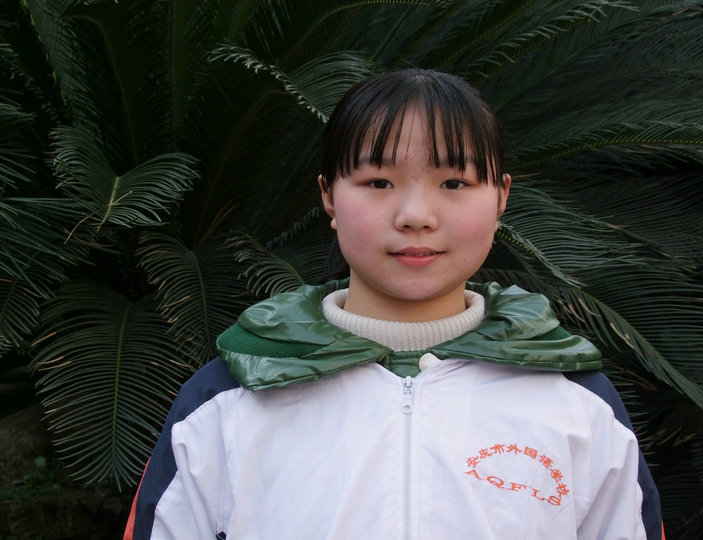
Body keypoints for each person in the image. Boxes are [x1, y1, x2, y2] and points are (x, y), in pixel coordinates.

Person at [124, 68, 663, 539]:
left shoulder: (578, 405)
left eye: (455, 182)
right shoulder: (228, 399)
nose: (416, 215)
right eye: (378, 181)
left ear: (501, 197)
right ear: (328, 195)